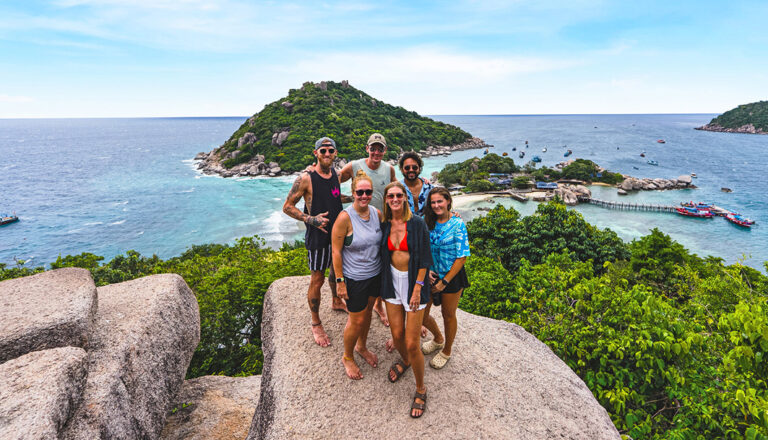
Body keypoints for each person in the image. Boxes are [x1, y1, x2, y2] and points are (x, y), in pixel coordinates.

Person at [282, 137, 346, 348]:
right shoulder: (306, 178)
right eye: (323, 150)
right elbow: (288, 206)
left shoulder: (335, 174)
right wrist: (311, 219)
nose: (327, 154)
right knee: (317, 279)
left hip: (336, 235)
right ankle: (316, 322)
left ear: (335, 153)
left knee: (336, 272)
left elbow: (335, 197)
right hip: (318, 237)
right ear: (315, 153)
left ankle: (336, 301)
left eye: (331, 151)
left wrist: (358, 198)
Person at [380, 181, 432, 418]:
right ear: (386, 200)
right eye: (390, 196)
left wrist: (417, 288)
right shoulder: (384, 225)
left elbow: (424, 259)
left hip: (413, 283)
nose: (395, 199)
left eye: (399, 195)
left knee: (412, 343)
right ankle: (406, 361)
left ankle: (421, 388)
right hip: (392, 282)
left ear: (405, 198)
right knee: (397, 335)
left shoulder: (417, 224)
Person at [339, 133, 396, 326]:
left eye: (380, 148)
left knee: (380, 259)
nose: (376, 152)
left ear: (385, 151)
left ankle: (378, 305)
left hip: (381, 220)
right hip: (357, 220)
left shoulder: (389, 169)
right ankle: (339, 296)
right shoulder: (355, 166)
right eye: (373, 148)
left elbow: (395, 190)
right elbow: (333, 181)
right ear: (367, 149)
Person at [331, 170, 382, 380]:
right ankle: (347, 356)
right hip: (355, 278)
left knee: (368, 312)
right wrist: (340, 281)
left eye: (368, 192)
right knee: (356, 319)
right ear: (352, 193)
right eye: (360, 192)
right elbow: (336, 250)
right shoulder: (345, 218)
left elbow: (401, 219)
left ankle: (362, 346)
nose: (364, 196)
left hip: (375, 275)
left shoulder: (377, 214)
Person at [421, 187, 471, 369]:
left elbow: (462, 256)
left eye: (439, 201)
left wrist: (444, 282)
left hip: (451, 276)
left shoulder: (457, 224)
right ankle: (439, 338)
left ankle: (447, 350)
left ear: (448, 201)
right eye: (432, 202)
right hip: (429, 275)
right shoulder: (427, 222)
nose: (436, 205)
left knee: (448, 315)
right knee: (422, 315)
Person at [399, 151, 433, 217]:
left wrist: (453, 214)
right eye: (407, 168)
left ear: (420, 168)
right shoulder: (397, 190)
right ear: (402, 169)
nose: (411, 170)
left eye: (414, 167)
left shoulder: (429, 188)